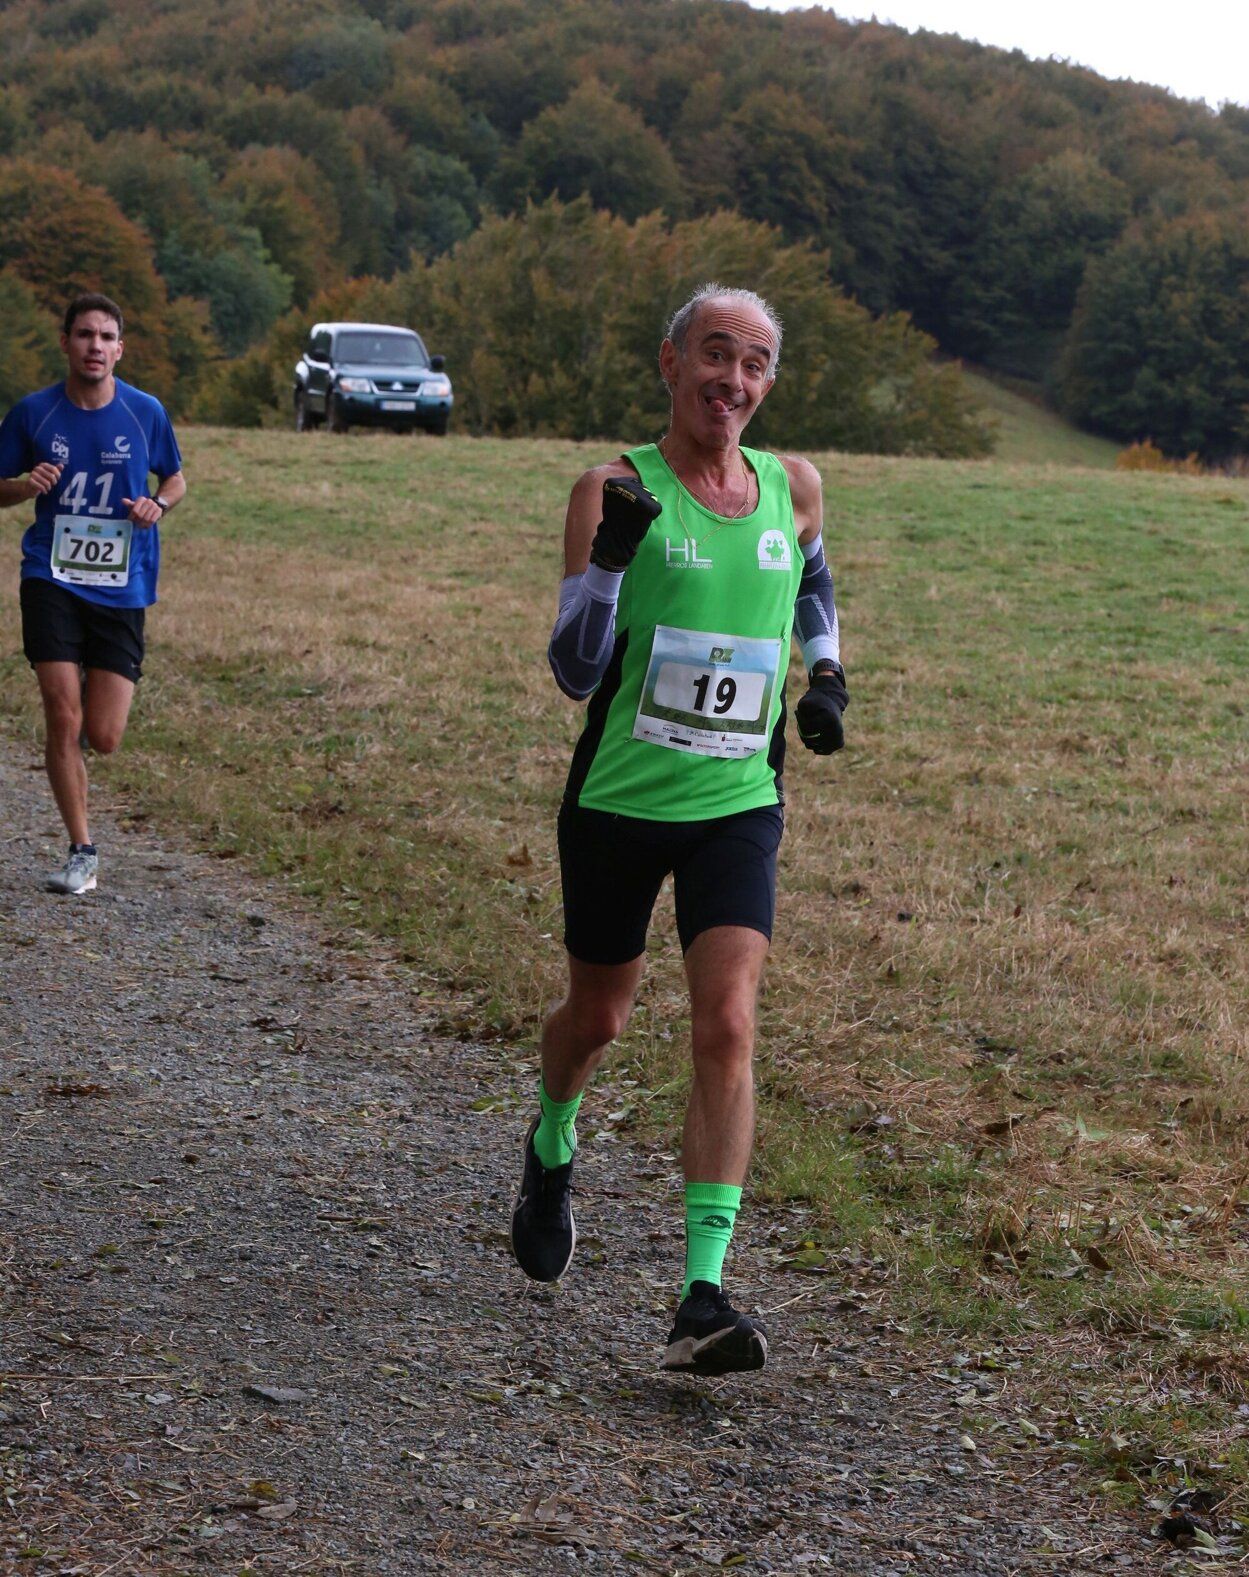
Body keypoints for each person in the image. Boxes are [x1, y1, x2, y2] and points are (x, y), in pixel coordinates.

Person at [511, 283, 849, 1375]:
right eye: (714, 355)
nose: (733, 381)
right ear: (669, 362)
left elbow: (813, 572)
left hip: (735, 803)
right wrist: (610, 560)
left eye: (753, 363)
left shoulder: (790, 485)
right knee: (599, 1018)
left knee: (728, 1021)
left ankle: (702, 1289)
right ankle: (552, 1139)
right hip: (617, 799)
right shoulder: (611, 486)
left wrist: (829, 668)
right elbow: (573, 671)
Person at [0, 292, 186, 894]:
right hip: (50, 576)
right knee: (62, 711)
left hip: (122, 583)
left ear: (120, 349)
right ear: (66, 343)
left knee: (102, 737)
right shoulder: (33, 414)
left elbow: (175, 478)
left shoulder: (144, 411)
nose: (95, 347)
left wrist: (157, 504)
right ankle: (83, 851)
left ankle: (78, 720)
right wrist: (26, 486)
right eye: (84, 335)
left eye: (107, 338)